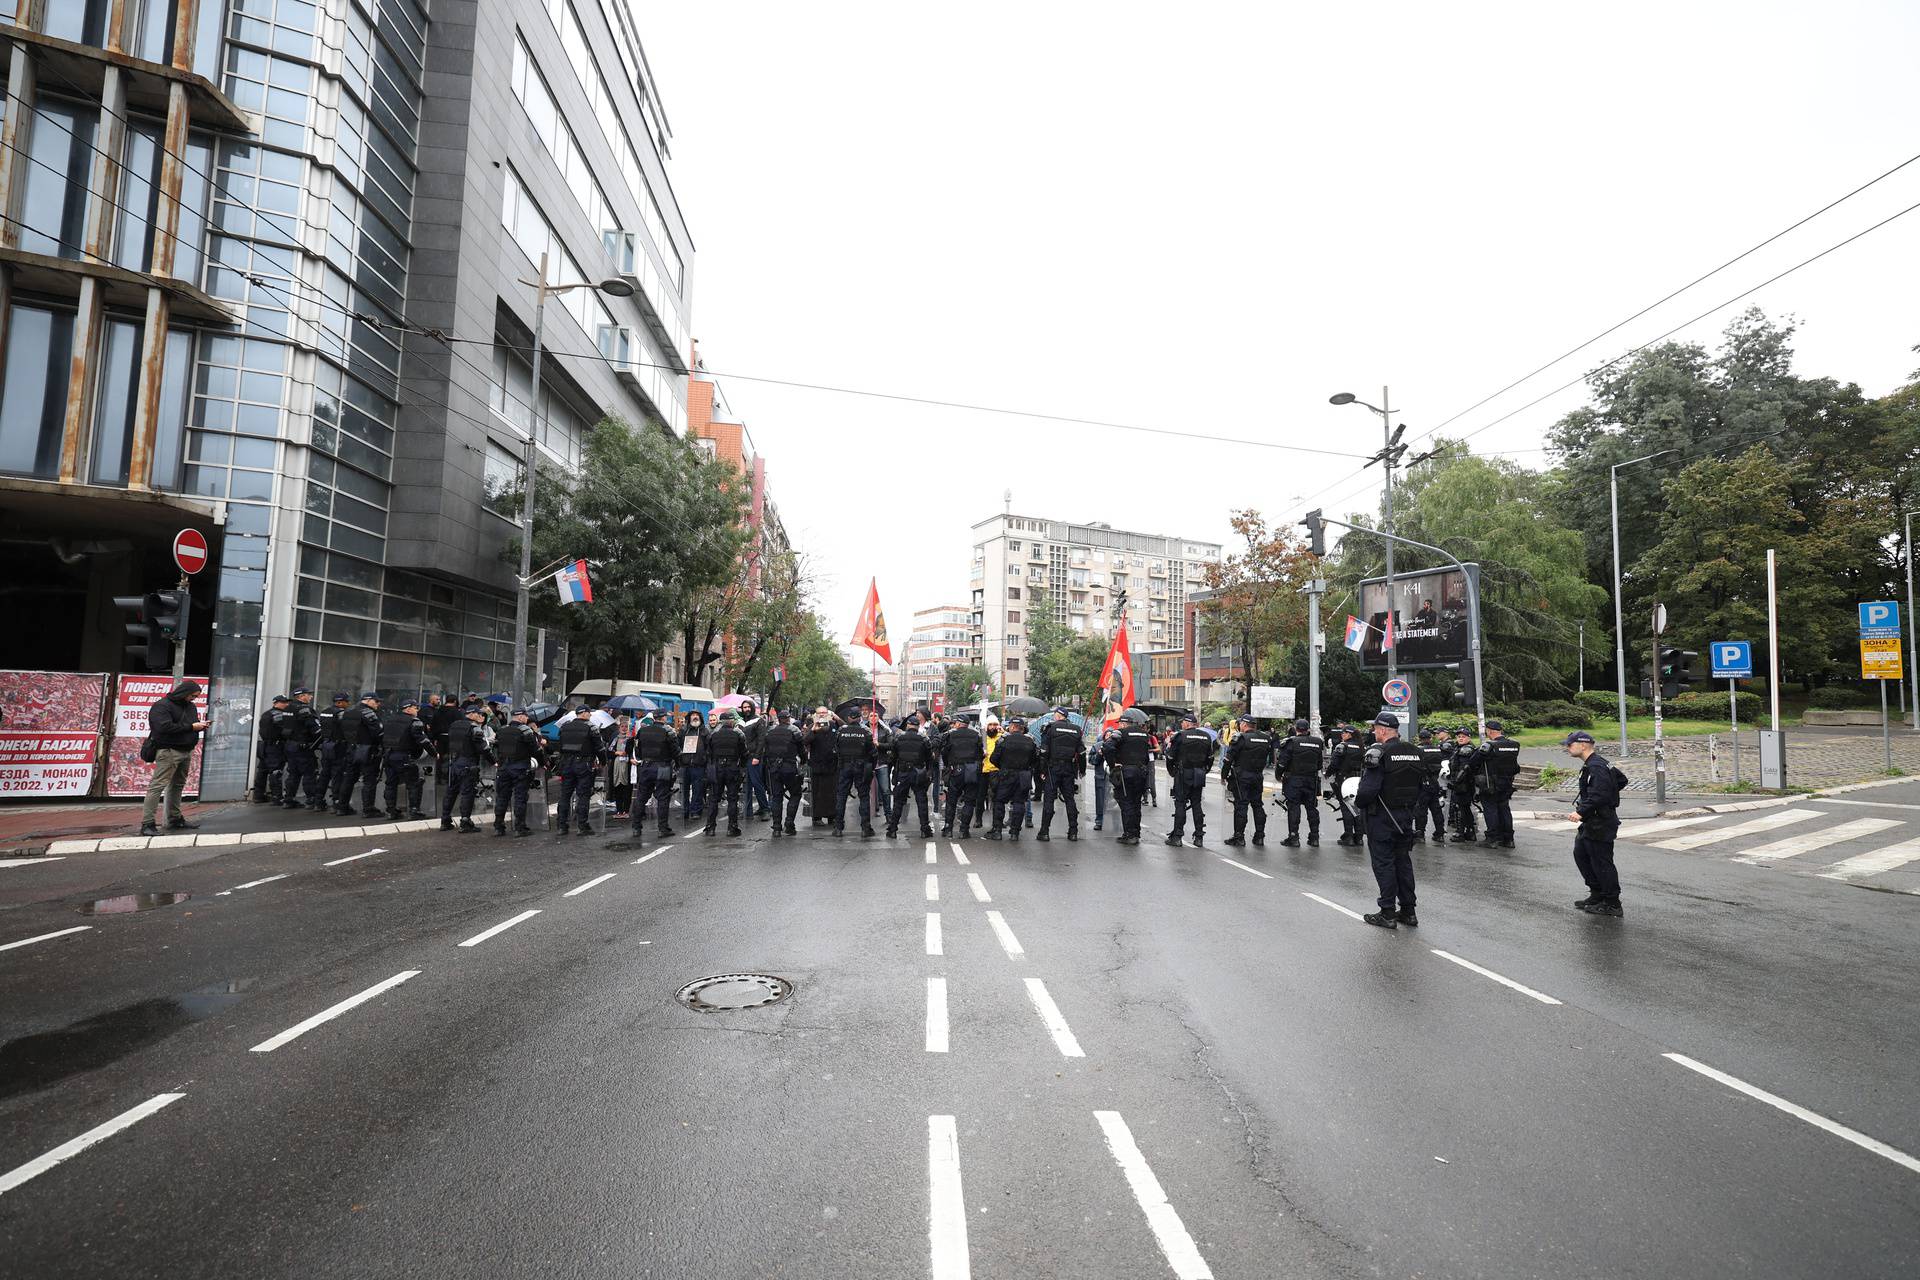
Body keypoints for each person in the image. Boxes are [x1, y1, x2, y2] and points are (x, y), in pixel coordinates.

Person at [1355, 712, 1424, 929]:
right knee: (1403, 863)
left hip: (1382, 818)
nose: (1374, 732)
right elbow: (1421, 786)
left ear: (1383, 730)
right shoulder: (1415, 752)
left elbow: (1368, 790)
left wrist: (1359, 804)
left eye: (1375, 728)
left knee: (1384, 864)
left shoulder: (1379, 753)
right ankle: (1408, 912)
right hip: (1405, 816)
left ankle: (1387, 912)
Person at [1562, 731, 1624, 916]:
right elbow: (1620, 780)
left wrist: (1581, 811)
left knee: (1601, 862)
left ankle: (1612, 903)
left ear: (1583, 745)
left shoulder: (1596, 765)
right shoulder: (1595, 763)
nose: (1567, 747)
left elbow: (1600, 793)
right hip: (1593, 820)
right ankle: (1597, 894)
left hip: (1600, 821)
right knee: (1581, 854)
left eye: (1570, 744)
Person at [138, 679, 208, 836]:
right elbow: (163, 727)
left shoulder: (190, 706)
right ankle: (147, 824)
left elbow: (190, 724)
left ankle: (175, 819)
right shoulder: (162, 706)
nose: (194, 699)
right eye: (193, 696)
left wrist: (199, 725)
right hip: (168, 750)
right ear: (184, 693)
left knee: (177, 785)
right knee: (157, 786)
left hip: (186, 750)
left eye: (196, 696)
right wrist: (191, 727)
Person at [1164, 712, 1217, 847]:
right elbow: (1210, 758)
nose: (1182, 724)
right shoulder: (1206, 737)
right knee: (1196, 804)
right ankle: (1199, 837)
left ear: (1187, 723)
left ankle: (1177, 836)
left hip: (1183, 774)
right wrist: (1205, 770)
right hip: (1199, 773)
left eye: (1183, 722)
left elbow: (1170, 757)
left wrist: (1172, 771)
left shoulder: (1180, 736)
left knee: (1180, 803)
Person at [1221, 714, 1274, 847]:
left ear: (1244, 725)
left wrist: (1223, 775)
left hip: (1242, 776)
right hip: (1257, 776)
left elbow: (1228, 759)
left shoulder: (1240, 738)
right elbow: (1270, 757)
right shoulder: (1266, 738)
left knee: (1241, 805)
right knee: (1257, 805)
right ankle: (1259, 836)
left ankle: (1239, 837)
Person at [492, 707, 545, 836]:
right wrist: (543, 763)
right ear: (521, 716)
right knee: (520, 797)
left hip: (504, 768)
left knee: (502, 797)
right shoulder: (526, 731)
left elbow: (496, 747)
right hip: (520, 768)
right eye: (526, 717)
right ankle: (519, 828)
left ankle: (499, 826)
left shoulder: (502, 730)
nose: (527, 719)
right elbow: (535, 750)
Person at [984, 716, 1038, 840]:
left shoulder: (1003, 740)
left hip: (1006, 774)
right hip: (1023, 776)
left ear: (1012, 727)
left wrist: (1003, 766)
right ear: (1022, 728)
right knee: (1019, 803)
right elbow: (1035, 760)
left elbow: (993, 759)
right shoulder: (1030, 741)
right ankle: (1015, 833)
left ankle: (997, 831)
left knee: (999, 801)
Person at [379, 698, 433, 819]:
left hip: (389, 756)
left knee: (390, 784)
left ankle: (391, 811)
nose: (417, 710)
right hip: (405, 756)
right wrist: (434, 753)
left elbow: (381, 737)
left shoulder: (390, 719)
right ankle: (414, 811)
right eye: (415, 707)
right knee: (415, 783)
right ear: (408, 709)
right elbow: (423, 740)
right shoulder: (415, 722)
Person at [554, 705, 605, 836]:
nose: (590, 716)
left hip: (567, 764)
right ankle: (582, 826)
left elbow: (559, 746)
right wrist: (603, 762)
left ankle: (561, 826)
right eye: (589, 713)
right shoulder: (591, 727)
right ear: (584, 713)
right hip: (583, 764)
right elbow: (600, 748)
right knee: (583, 795)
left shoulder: (565, 727)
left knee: (565, 795)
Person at [627, 711, 679, 838]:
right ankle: (663, 828)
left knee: (641, 797)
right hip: (662, 766)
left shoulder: (642, 731)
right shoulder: (668, 731)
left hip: (646, 766)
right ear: (664, 718)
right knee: (662, 798)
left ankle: (636, 828)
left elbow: (637, 751)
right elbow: (676, 752)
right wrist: (677, 764)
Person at [1103, 717, 1154, 846]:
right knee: (1136, 803)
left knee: (1126, 803)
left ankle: (1129, 835)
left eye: (1120, 724)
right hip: (1141, 772)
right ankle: (1136, 833)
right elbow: (1147, 754)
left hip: (1126, 772)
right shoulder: (1144, 734)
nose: (1119, 726)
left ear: (1123, 724)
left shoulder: (1121, 733)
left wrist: (1113, 764)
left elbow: (1107, 747)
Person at [439, 703, 489, 832]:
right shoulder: (474, 728)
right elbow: (483, 748)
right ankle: (465, 822)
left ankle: (445, 820)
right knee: (467, 793)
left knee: (451, 792)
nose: (480, 716)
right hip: (468, 763)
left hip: (454, 762)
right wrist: (494, 761)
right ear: (472, 714)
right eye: (479, 714)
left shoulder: (454, 726)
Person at [1036, 710, 1085, 841]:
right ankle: (1073, 832)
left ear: (1058, 716)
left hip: (1053, 768)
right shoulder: (1076, 729)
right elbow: (1082, 752)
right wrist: (1082, 770)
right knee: (1070, 799)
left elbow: (1044, 751)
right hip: (1069, 768)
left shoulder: (1050, 728)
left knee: (1049, 799)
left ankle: (1044, 832)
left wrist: (1042, 770)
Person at [1274, 719, 1323, 847]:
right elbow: (1319, 764)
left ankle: (1294, 837)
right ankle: (1314, 837)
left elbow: (1282, 763)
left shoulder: (1291, 742)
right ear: (1308, 729)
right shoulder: (1318, 742)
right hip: (1311, 780)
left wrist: (1278, 775)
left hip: (1294, 780)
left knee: (1294, 808)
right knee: (1312, 808)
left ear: (1296, 729)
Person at [885, 714, 936, 838]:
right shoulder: (924, 739)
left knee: (898, 802)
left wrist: (892, 773)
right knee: (921, 802)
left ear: (908, 726)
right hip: (918, 772)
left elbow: (892, 757)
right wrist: (929, 773)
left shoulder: (898, 738)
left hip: (902, 773)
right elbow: (930, 758)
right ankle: (925, 829)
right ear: (918, 726)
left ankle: (892, 829)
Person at [832, 708, 879, 837]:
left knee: (841, 796)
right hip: (861, 767)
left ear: (848, 718)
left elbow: (835, 749)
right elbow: (873, 753)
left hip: (845, 767)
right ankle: (865, 828)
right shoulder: (866, 731)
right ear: (860, 718)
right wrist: (872, 768)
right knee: (863, 797)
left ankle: (838, 828)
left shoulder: (841, 731)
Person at [761, 708, 807, 835]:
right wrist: (803, 761)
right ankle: (789, 823)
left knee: (776, 797)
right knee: (796, 794)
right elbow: (802, 750)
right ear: (788, 719)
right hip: (789, 767)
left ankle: (776, 827)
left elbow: (765, 750)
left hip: (774, 768)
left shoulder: (770, 732)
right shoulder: (794, 731)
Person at [340, 691, 385, 818]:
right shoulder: (369, 713)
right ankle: (368, 809)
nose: (378, 704)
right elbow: (378, 732)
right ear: (368, 700)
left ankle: (342, 807)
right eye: (376, 701)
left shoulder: (349, 711)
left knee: (349, 778)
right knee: (369, 779)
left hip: (351, 748)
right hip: (367, 749)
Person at [705, 710, 749, 836]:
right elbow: (744, 753)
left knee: (714, 799)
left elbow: (708, 753)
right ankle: (732, 828)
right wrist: (741, 767)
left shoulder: (714, 735)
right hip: (732, 768)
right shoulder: (738, 735)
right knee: (732, 798)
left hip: (717, 768)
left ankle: (710, 827)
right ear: (731, 721)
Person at [939, 716, 985, 837]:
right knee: (969, 801)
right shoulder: (976, 735)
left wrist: (948, 765)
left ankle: (948, 828)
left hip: (956, 770)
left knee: (952, 800)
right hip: (971, 769)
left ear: (958, 724)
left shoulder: (950, 735)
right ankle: (964, 830)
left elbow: (944, 752)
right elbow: (980, 754)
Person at [1479, 720, 1521, 848]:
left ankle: (1492, 839)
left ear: (1489, 731)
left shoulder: (1489, 746)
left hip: (1491, 784)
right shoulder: (1514, 745)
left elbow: (1474, 760)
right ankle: (1508, 839)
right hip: (1507, 783)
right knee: (1504, 810)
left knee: (1491, 810)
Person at [1325, 723, 1366, 846]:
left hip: (1343, 780)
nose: (1341, 735)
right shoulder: (1361, 747)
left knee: (1346, 807)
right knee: (1356, 807)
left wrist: (1327, 773)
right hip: (1357, 779)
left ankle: (1348, 836)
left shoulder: (1342, 747)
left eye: (1343, 733)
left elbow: (1334, 764)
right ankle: (1359, 837)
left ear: (1349, 734)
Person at [281, 688, 322, 810]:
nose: (310, 697)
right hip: (302, 747)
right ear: (302, 696)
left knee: (293, 774)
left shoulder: (288, 708)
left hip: (290, 745)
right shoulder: (305, 710)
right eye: (309, 695)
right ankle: (311, 800)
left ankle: (289, 799)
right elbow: (315, 729)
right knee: (309, 773)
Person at [314, 692, 352, 813]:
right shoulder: (342, 713)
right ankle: (336, 801)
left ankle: (318, 801)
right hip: (339, 746)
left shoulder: (325, 711)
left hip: (326, 745)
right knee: (338, 775)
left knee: (324, 774)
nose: (348, 703)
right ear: (341, 702)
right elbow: (347, 729)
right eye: (347, 701)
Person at [253, 693, 291, 804]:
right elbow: (285, 731)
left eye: (286, 702)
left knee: (262, 770)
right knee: (276, 771)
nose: (286, 704)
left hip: (264, 745)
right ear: (276, 703)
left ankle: (258, 795)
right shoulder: (279, 715)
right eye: (283, 702)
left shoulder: (266, 714)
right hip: (275, 746)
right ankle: (276, 796)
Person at [1412, 728, 1448, 841]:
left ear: (1420, 738)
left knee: (1421, 810)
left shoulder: (1418, 750)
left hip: (1422, 783)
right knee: (1436, 809)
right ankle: (1440, 833)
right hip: (1435, 782)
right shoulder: (1438, 749)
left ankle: (1420, 834)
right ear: (1430, 738)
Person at [1446, 727, 1481, 841]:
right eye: (1459, 736)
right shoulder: (1460, 748)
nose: (1460, 738)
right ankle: (1470, 832)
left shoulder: (1466, 750)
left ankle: (1460, 832)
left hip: (1463, 784)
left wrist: (1456, 781)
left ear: (1469, 737)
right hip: (1464, 783)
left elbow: (1465, 769)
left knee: (1460, 807)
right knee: (1465, 808)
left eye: (1463, 736)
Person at [806, 707, 839, 827]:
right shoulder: (812, 726)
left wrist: (836, 718)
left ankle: (832, 816)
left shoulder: (834, 725)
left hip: (831, 764)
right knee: (817, 793)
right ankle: (817, 817)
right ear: (815, 714)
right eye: (819, 713)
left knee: (831, 792)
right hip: (817, 765)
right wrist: (813, 731)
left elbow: (844, 727)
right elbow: (804, 741)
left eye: (824, 713)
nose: (822, 715)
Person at [739, 699, 772, 819]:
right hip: (744, 757)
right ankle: (747, 811)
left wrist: (757, 757)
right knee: (746, 785)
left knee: (757, 783)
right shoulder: (741, 722)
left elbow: (761, 740)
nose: (746, 709)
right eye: (744, 707)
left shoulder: (759, 721)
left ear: (752, 707)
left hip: (754, 757)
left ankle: (765, 809)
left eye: (748, 707)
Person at [678, 710, 709, 821]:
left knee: (698, 790)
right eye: (693, 715)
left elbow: (708, 748)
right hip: (686, 765)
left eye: (697, 715)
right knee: (684, 790)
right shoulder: (684, 731)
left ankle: (696, 811)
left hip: (699, 765)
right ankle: (685, 811)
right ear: (689, 718)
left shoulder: (705, 731)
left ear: (700, 718)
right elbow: (678, 745)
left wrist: (704, 758)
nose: (695, 717)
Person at [1090, 727, 1109, 831]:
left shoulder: (1118, 746)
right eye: (1107, 735)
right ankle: (1099, 821)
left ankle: (1114, 822)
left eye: (1111, 735)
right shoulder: (1097, 746)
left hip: (1113, 778)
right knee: (1100, 800)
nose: (1109, 737)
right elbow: (1092, 761)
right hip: (1100, 777)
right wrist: (1099, 754)